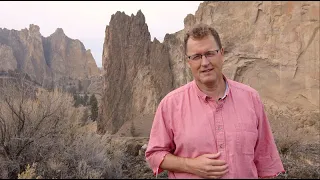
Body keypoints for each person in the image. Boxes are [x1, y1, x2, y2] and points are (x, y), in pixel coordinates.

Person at [145, 23, 285, 179]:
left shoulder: (251, 99)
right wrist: (190, 165)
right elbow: (154, 155)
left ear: (222, 54)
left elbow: (265, 163)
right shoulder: (170, 104)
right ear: (188, 62)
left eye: (210, 53)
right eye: (196, 56)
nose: (205, 63)